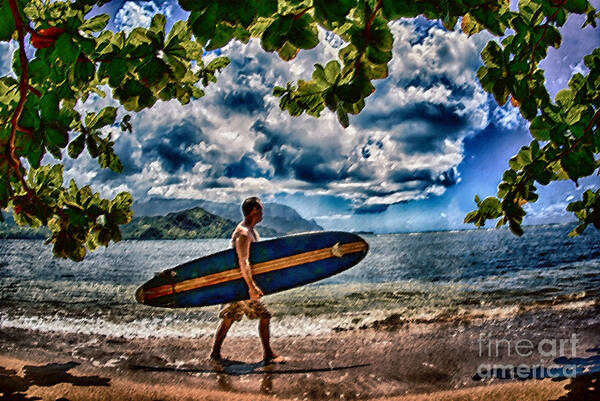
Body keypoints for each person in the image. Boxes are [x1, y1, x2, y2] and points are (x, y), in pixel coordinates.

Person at [209, 197, 286, 364]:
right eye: (261, 209)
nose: (263, 213)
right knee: (264, 316)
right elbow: (243, 261)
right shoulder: (243, 233)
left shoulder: (251, 231)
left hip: (237, 286)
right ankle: (268, 354)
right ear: (253, 210)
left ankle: (215, 353)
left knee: (228, 319)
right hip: (242, 287)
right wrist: (251, 287)